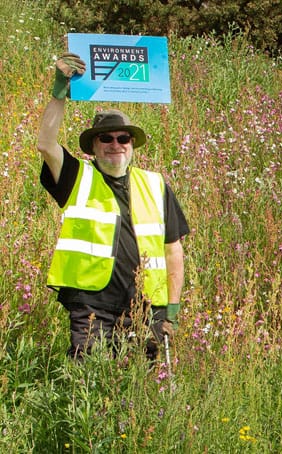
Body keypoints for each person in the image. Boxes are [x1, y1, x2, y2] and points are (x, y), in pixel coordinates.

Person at [36, 53, 190, 360]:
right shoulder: (76, 176)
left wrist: (171, 310)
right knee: (88, 383)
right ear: (93, 146)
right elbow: (45, 144)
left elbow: (173, 251)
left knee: (143, 391)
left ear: (132, 145)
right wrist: (59, 90)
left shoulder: (156, 185)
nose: (115, 144)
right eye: (106, 138)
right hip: (92, 308)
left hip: (147, 307)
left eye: (123, 138)